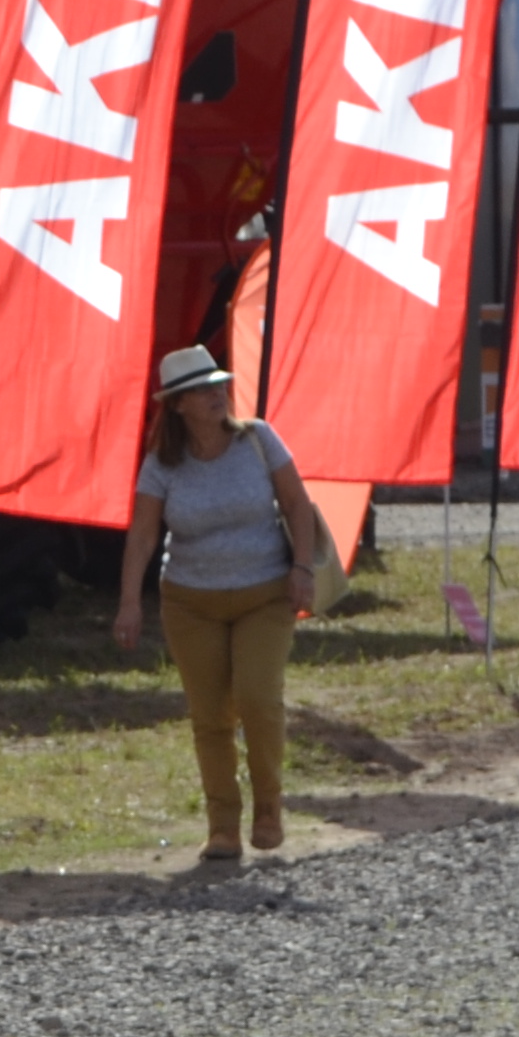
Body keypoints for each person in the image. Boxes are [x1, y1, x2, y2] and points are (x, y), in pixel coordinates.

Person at [112, 345, 332, 861]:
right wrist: (128, 603)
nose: (218, 394)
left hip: (266, 594)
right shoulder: (161, 464)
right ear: (178, 405)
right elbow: (143, 536)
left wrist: (302, 568)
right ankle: (223, 827)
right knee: (209, 715)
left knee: (257, 698)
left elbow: (297, 505)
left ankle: (269, 809)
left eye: (219, 384)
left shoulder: (258, 439)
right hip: (190, 603)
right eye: (203, 389)